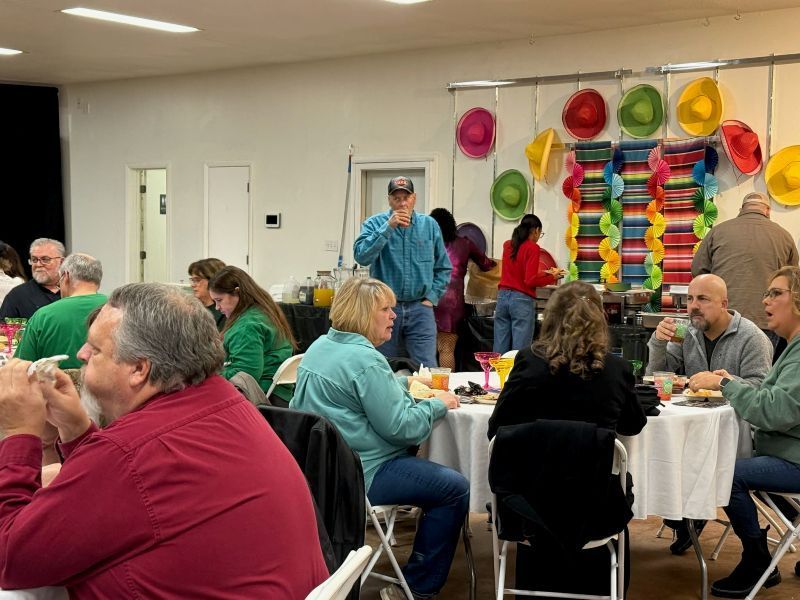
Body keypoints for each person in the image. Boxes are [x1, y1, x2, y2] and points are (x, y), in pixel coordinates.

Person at [0, 283, 328, 597]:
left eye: (96, 349)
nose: (82, 354)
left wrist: (18, 433)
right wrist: (75, 429)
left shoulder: (135, 451)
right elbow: (121, 494)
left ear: (139, 369)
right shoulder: (226, 402)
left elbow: (11, 558)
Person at [291, 277, 468, 600]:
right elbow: (403, 428)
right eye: (385, 309)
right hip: (362, 472)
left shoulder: (320, 347)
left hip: (319, 472)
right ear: (363, 314)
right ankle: (418, 587)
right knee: (454, 488)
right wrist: (436, 405)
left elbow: (358, 397)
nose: (394, 316)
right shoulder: (365, 360)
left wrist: (401, 387)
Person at [487, 280, 646, 597]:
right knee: (619, 481)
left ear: (549, 318)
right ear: (601, 320)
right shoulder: (616, 369)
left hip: (528, 505)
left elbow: (497, 429)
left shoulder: (528, 362)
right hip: (596, 505)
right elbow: (633, 425)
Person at [646, 273, 773, 553]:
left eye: (703, 299)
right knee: (664, 452)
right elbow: (657, 376)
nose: (693, 306)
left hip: (739, 430)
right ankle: (686, 519)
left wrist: (725, 382)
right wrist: (657, 341)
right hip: (697, 424)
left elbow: (763, 391)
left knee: (708, 464)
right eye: (689, 299)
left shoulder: (752, 338)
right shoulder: (688, 332)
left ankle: (697, 519)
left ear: (724, 303)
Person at [708, 266, 800, 598]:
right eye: (766, 293)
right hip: (785, 452)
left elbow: (774, 411)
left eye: (776, 293)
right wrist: (731, 383)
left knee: (725, 473)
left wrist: (724, 383)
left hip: (794, 460)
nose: (766, 301)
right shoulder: (792, 346)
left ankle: (757, 559)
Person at [354, 176, 452, 368]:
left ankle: (426, 399)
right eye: (396, 198)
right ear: (389, 200)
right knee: (382, 366)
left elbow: (444, 267)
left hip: (420, 309)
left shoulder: (429, 225)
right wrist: (388, 227)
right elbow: (361, 257)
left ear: (414, 198)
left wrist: (431, 298)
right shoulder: (374, 223)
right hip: (384, 307)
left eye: (406, 198)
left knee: (426, 368)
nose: (402, 203)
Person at [692, 192, 798, 355]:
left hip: (724, 319)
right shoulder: (784, 236)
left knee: (718, 373)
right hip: (765, 320)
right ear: (768, 211)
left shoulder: (717, 232)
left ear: (741, 209)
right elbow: (793, 282)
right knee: (760, 374)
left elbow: (699, 274)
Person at [208, 265, 296, 405]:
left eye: (219, 300)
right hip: (279, 395)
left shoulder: (247, 326)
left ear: (238, 293)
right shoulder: (262, 310)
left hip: (262, 396)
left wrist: (209, 377)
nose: (217, 307)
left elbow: (245, 374)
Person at [429, 208, 495, 369]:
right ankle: (446, 388)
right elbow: (486, 264)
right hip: (452, 304)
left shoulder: (427, 244)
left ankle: (428, 386)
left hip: (428, 299)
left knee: (428, 349)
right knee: (447, 349)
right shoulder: (465, 243)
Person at [16, 253, 107, 369]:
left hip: (54, 386)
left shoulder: (43, 316)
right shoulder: (118, 308)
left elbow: (20, 367)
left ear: (66, 276)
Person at [493, 214, 562, 354]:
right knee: (520, 351)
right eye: (540, 233)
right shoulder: (533, 248)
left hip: (502, 298)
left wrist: (546, 273)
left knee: (499, 349)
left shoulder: (507, 245)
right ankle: (518, 375)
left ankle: (495, 374)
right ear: (535, 230)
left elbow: (518, 272)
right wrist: (552, 278)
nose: (538, 236)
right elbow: (529, 280)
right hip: (521, 301)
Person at [0, 238, 64, 319]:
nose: (38, 264)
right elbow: (5, 329)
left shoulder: (75, 292)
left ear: (61, 262)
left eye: (45, 259)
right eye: (34, 260)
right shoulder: (17, 295)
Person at [188, 257, 227, 330]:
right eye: (193, 280)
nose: (192, 285)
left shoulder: (225, 312)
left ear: (214, 280)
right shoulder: (192, 308)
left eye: (197, 280)